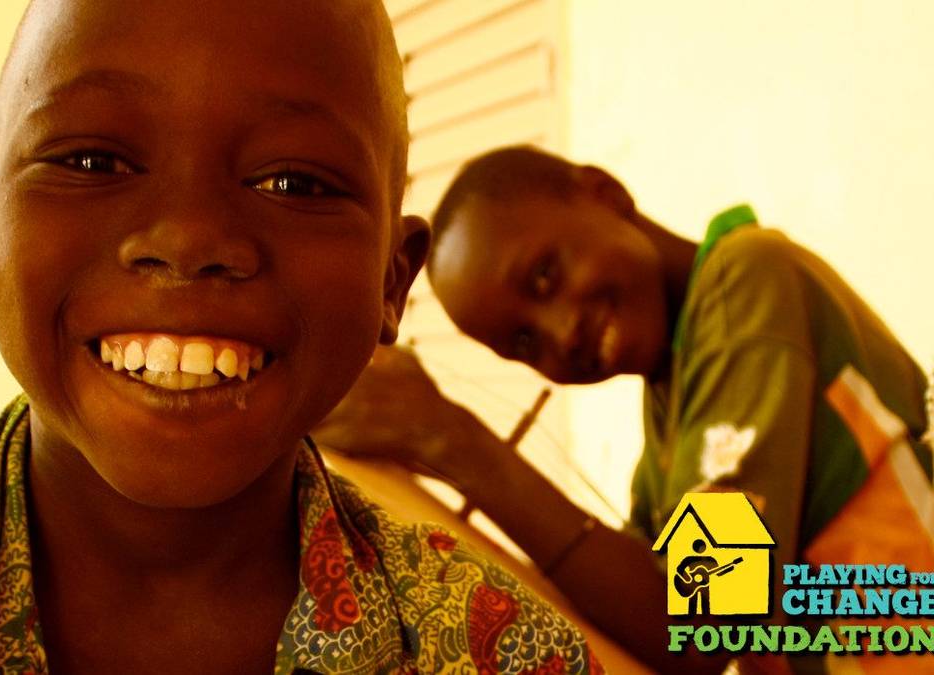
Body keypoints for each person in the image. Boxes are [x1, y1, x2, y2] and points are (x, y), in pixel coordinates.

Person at [0, 8, 603, 675]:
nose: (565, 336)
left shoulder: (738, 329)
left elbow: (729, 630)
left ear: (392, 282)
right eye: (89, 162)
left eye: (295, 181)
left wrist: (473, 457)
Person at [315, 145, 933, 673]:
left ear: (605, 194)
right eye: (523, 344)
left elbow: (705, 617)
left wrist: (450, 441)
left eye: (544, 276)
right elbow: (639, 602)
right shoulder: (672, 415)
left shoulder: (748, 279)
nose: (561, 333)